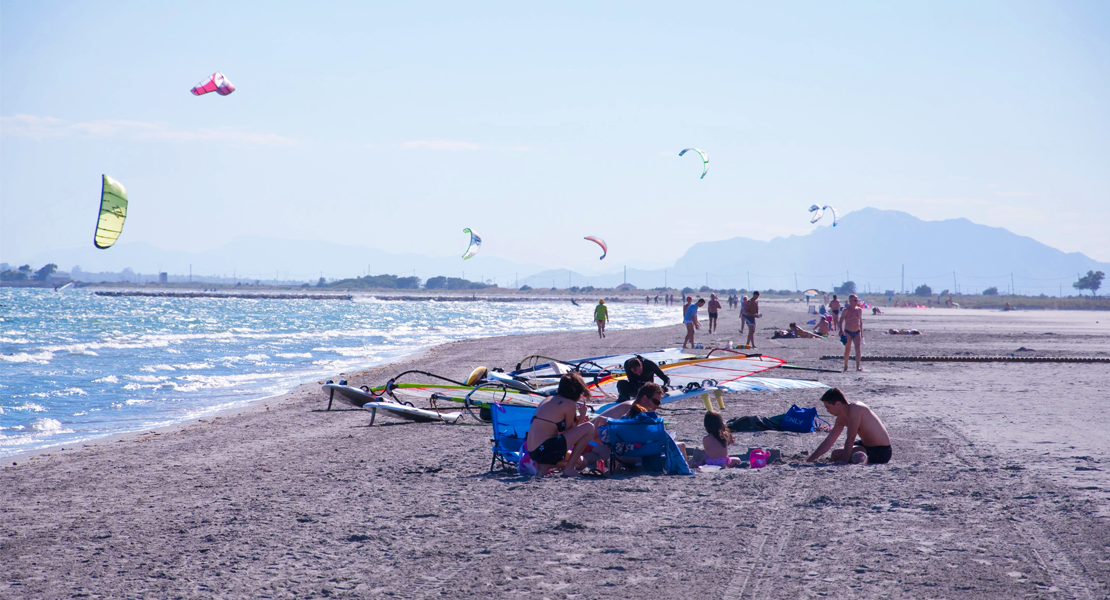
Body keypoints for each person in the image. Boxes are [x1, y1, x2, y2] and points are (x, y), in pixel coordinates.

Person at [525, 372, 596, 476]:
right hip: (546, 449)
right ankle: (569, 469)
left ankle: (544, 467)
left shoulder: (547, 399)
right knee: (589, 427)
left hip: (534, 451)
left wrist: (577, 421)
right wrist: (582, 416)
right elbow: (569, 432)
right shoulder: (569, 404)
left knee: (581, 463)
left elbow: (559, 432)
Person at [805, 388, 891, 464]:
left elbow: (851, 437)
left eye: (828, 407)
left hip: (881, 450)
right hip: (865, 445)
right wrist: (810, 460)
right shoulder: (841, 419)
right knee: (835, 454)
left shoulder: (856, 409)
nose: (827, 411)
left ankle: (860, 458)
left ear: (838, 404)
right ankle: (860, 457)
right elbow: (829, 441)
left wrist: (844, 461)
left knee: (851, 455)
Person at [838, 294, 864, 372]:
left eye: (857, 300)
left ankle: (858, 366)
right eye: (854, 300)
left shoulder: (859, 310)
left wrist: (862, 333)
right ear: (850, 301)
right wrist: (840, 330)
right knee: (847, 349)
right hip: (848, 332)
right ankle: (846, 366)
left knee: (858, 348)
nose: (856, 302)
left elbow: (860, 322)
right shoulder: (846, 310)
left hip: (857, 331)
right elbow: (841, 321)